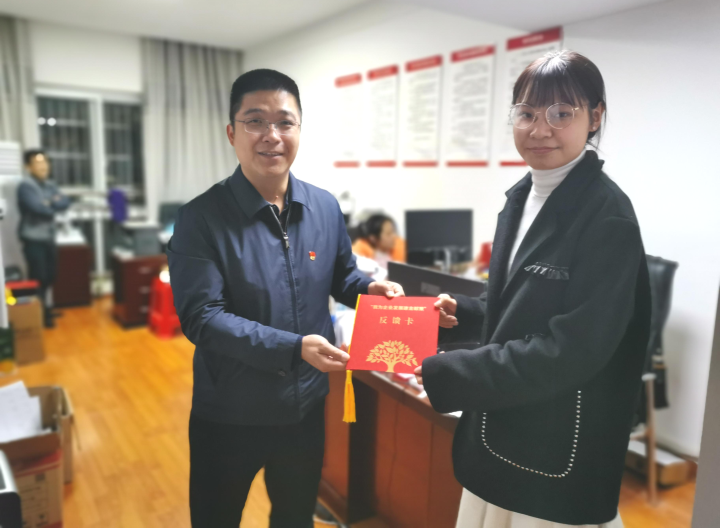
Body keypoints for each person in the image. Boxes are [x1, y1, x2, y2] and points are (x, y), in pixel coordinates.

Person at [415, 51, 651, 528]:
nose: (540, 129)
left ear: (595, 117)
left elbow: (573, 349)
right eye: (526, 113)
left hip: (557, 444)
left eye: (561, 113)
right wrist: (463, 311)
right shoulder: (521, 198)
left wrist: (450, 372)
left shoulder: (608, 217)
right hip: (504, 423)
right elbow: (518, 301)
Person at [167, 69, 404, 528]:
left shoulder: (325, 207)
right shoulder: (201, 218)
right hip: (230, 412)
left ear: (299, 130)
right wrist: (294, 348)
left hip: (305, 408)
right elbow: (202, 318)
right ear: (232, 133)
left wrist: (368, 290)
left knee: (295, 518)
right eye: (255, 121)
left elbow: (342, 276)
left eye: (284, 122)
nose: (271, 135)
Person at [17, 150, 71, 328]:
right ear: (28, 167)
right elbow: (38, 209)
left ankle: (45, 308)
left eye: (46, 162)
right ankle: (39, 316)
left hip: (48, 237)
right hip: (33, 238)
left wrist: (49, 203)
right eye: (38, 163)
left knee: (50, 275)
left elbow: (65, 202)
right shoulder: (25, 186)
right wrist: (52, 203)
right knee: (38, 277)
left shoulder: (50, 184)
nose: (44, 166)